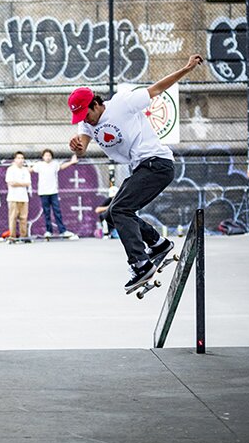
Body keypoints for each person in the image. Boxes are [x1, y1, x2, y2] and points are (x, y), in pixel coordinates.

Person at [69, 54, 204, 291]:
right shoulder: (86, 123)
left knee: (120, 209)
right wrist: (78, 148)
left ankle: (140, 263)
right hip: (142, 168)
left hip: (157, 163)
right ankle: (158, 244)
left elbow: (157, 88)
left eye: (87, 114)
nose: (86, 121)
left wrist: (186, 68)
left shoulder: (122, 103)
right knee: (113, 213)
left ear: (96, 104)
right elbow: (83, 146)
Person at [30, 150, 78, 238]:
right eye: (46, 155)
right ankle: (49, 231)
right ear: (43, 157)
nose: (47, 157)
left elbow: (62, 167)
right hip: (43, 192)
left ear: (51, 157)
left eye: (49, 155)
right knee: (47, 212)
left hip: (54, 192)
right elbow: (31, 170)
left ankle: (62, 231)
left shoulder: (55, 164)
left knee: (57, 211)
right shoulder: (39, 165)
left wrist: (71, 162)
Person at [4, 151, 32, 239]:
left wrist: (18, 183)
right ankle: (12, 236)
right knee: (13, 217)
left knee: (23, 218)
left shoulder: (25, 170)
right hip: (13, 197)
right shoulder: (11, 169)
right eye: (18, 158)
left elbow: (28, 183)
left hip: (23, 197)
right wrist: (21, 183)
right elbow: (11, 183)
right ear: (15, 160)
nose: (20, 160)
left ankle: (23, 236)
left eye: (22, 158)